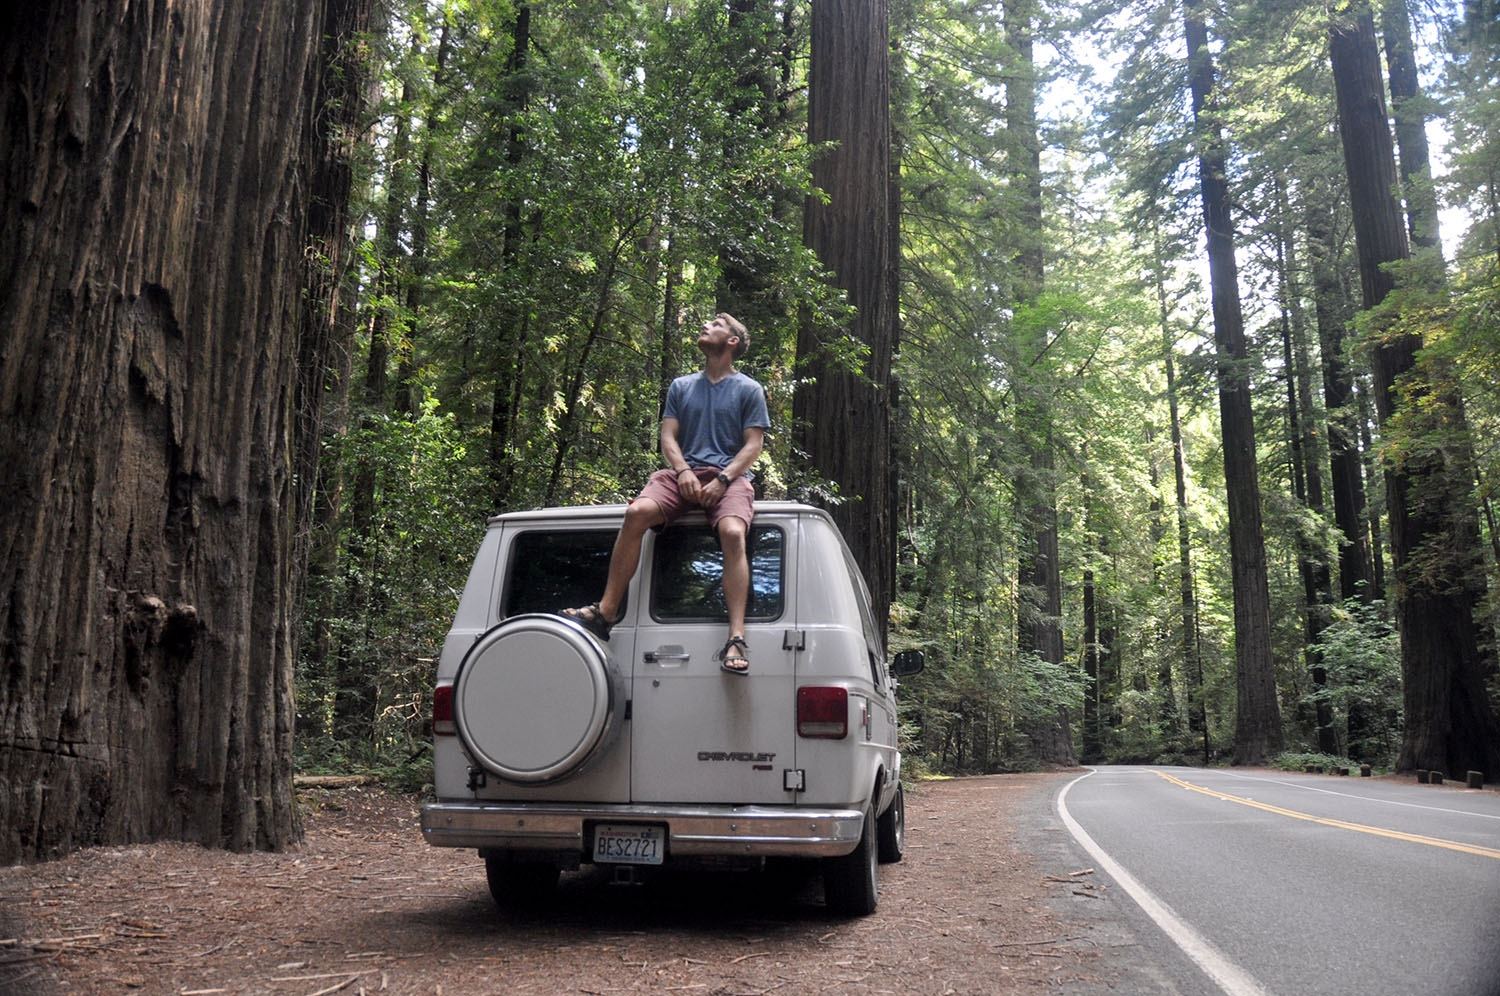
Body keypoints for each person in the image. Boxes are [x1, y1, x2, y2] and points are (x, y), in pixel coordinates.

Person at [561, 313, 770, 674]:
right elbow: (668, 437)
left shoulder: (749, 389)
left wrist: (722, 479)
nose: (706, 325)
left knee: (733, 532)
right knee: (636, 513)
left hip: (729, 477)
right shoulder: (681, 386)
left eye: (717, 324)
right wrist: (683, 471)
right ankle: (606, 611)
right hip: (682, 473)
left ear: (732, 341)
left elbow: (753, 445)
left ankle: (736, 635)